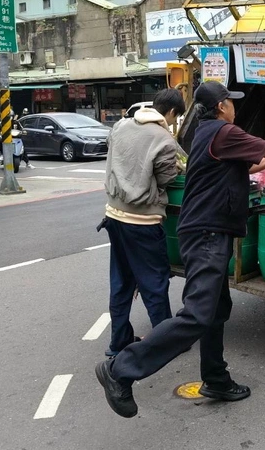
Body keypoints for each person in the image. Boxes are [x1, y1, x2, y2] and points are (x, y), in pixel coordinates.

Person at [95, 81, 265, 418]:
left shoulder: (208, 134)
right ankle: (120, 369)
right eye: (231, 101)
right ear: (221, 106)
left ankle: (216, 379)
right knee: (197, 314)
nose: (234, 106)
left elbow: (251, 164)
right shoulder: (223, 132)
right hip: (207, 234)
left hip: (208, 232)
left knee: (215, 310)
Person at [98, 89, 186, 358]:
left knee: (122, 281)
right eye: (175, 118)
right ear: (171, 112)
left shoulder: (120, 126)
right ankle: (165, 343)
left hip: (114, 216)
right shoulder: (164, 139)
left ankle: (118, 342)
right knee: (154, 283)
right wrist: (177, 167)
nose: (173, 123)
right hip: (143, 222)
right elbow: (166, 179)